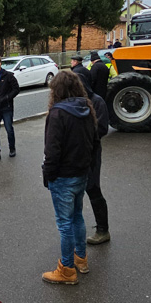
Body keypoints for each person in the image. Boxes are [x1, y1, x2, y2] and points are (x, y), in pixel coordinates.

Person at [41, 72, 99, 285]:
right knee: (77, 217)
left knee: (64, 223)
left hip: (63, 176)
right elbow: (94, 141)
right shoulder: (86, 108)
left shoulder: (57, 114)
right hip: (81, 173)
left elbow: (52, 151)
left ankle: (66, 269)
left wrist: (48, 175)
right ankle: (81, 259)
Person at [73, 72, 111, 245]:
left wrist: (81, 136)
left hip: (92, 153)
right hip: (76, 154)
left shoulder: (97, 101)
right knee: (75, 191)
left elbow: (102, 129)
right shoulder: (73, 102)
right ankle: (75, 229)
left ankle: (103, 230)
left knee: (93, 189)